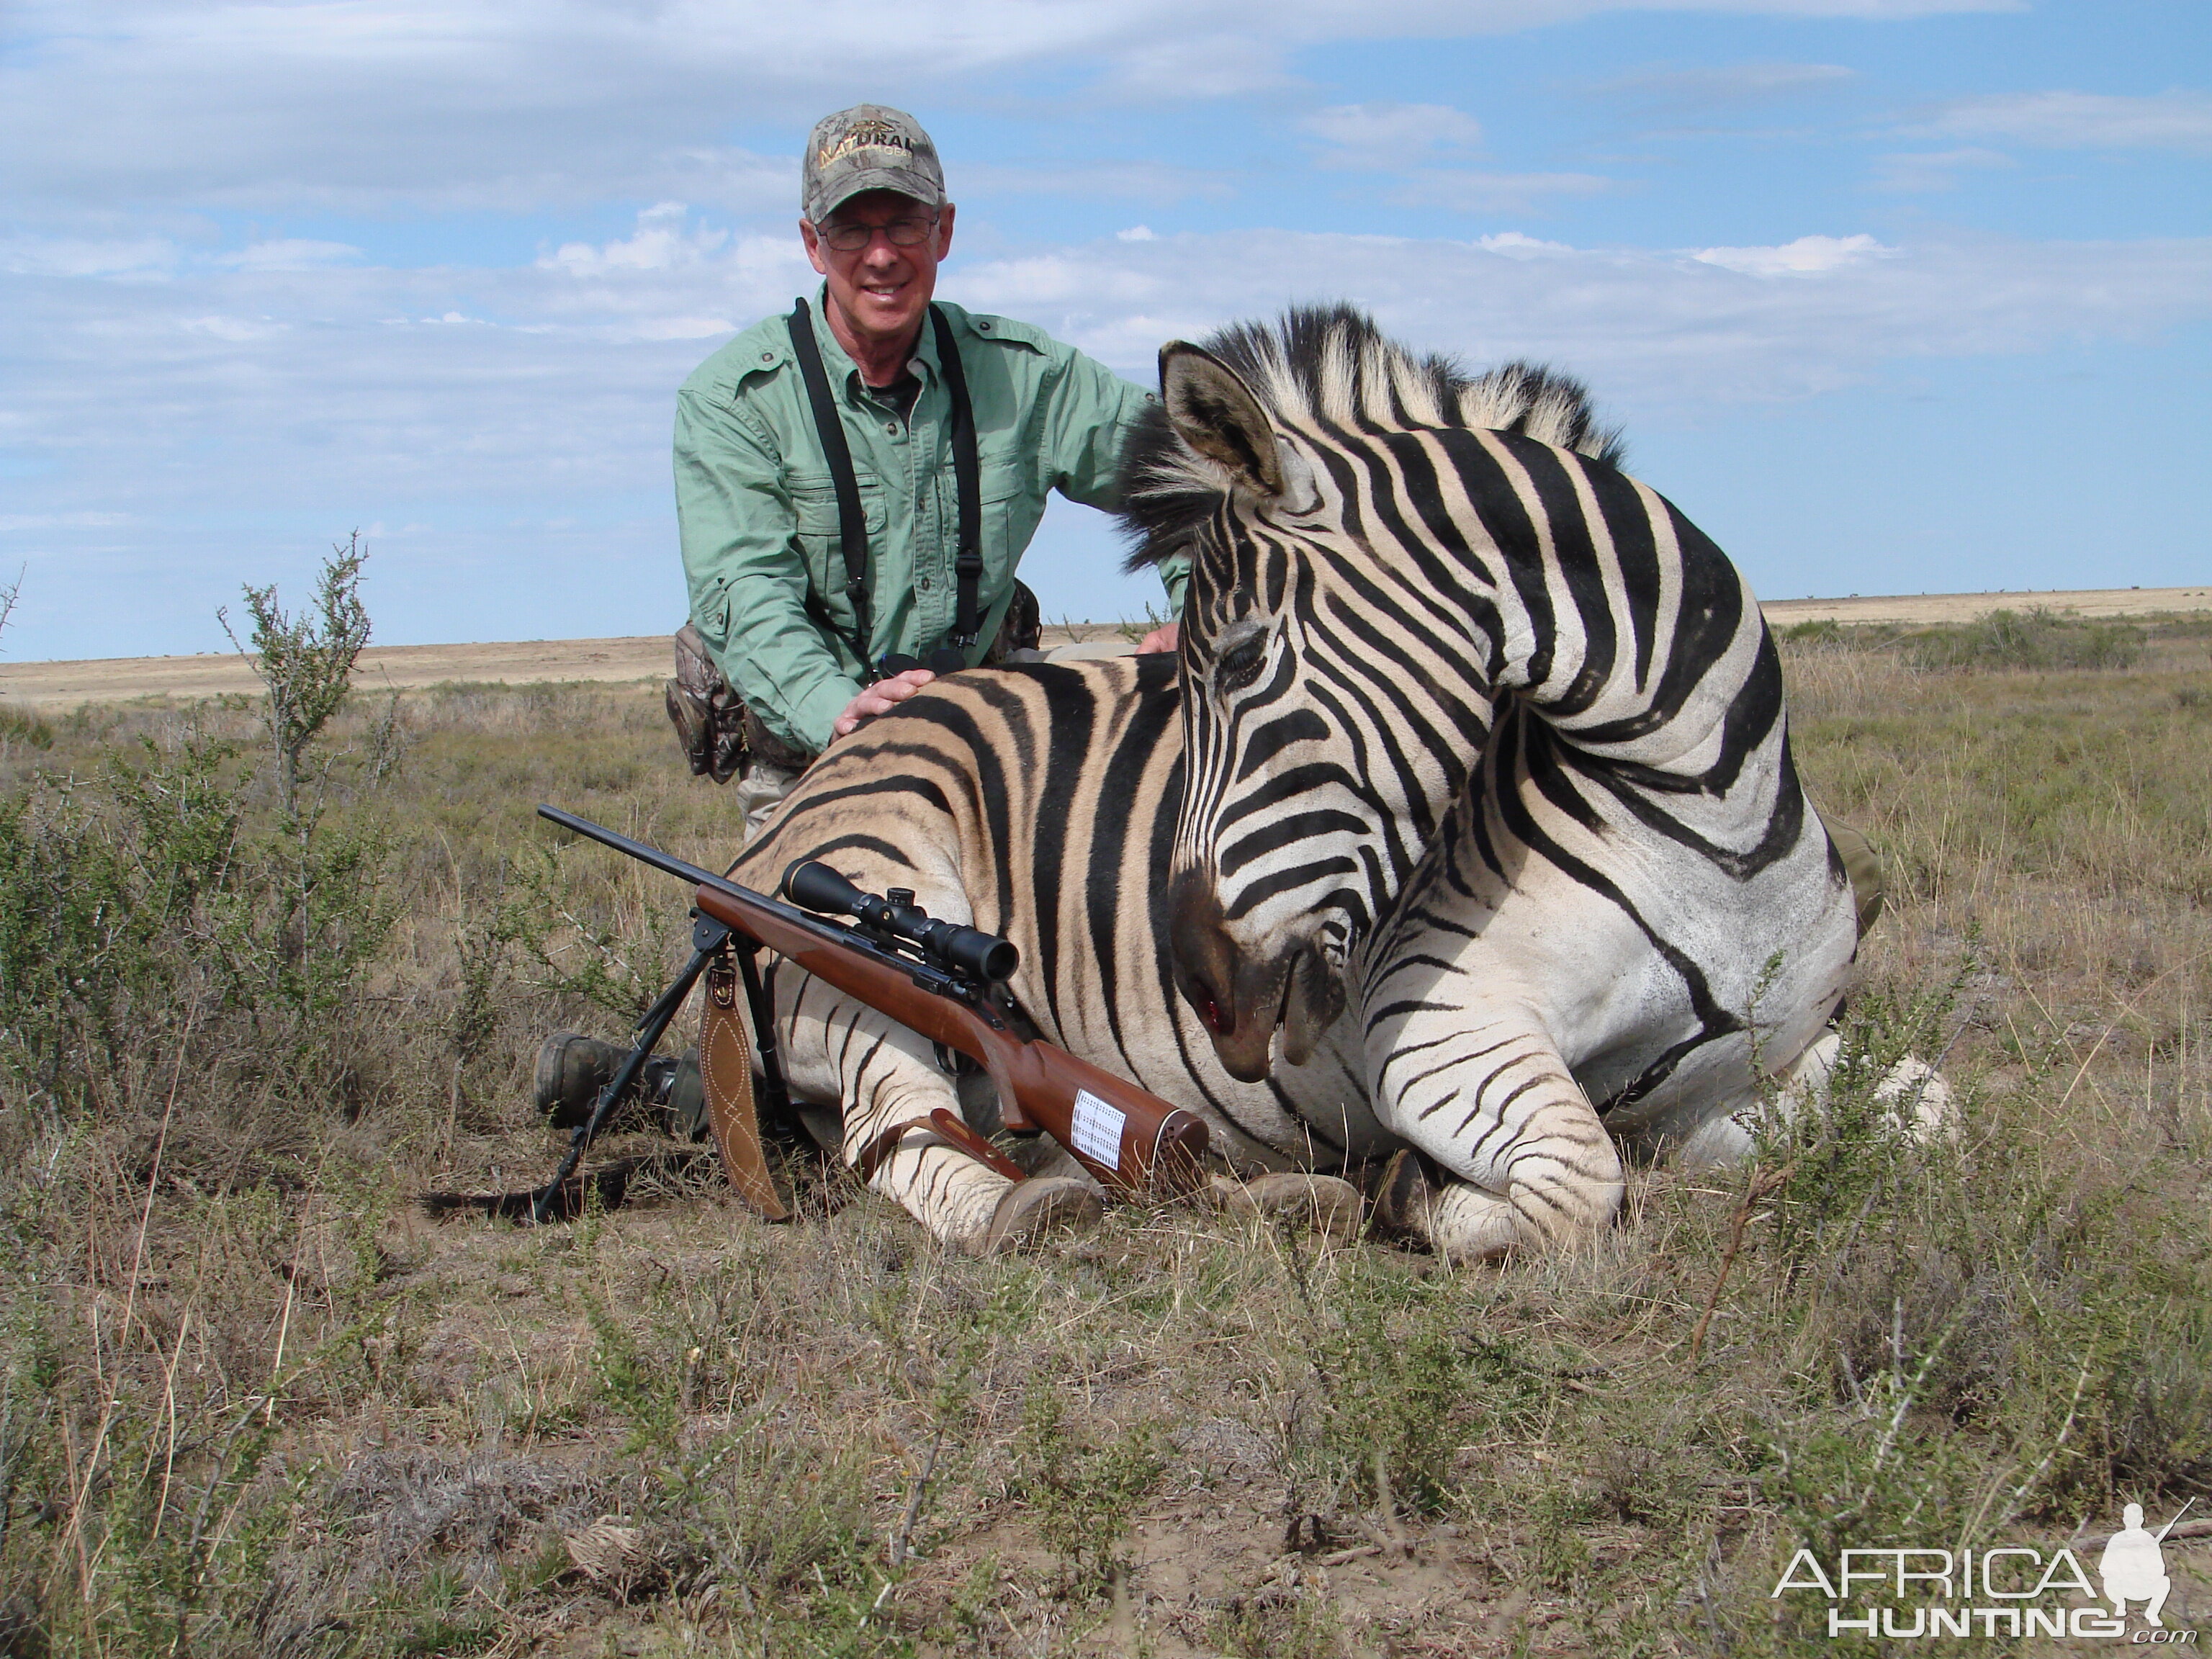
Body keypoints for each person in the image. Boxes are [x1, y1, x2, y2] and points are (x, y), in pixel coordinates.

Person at [665, 104, 1185, 836]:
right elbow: (747, 596)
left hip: (993, 747)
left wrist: (1199, 620)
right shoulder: (732, 402)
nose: (881, 255)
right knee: (834, 943)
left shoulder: (1027, 378)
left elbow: (1195, 476)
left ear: (943, 231)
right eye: (852, 228)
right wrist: (839, 709)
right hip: (815, 766)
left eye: (904, 224)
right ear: (814, 245)